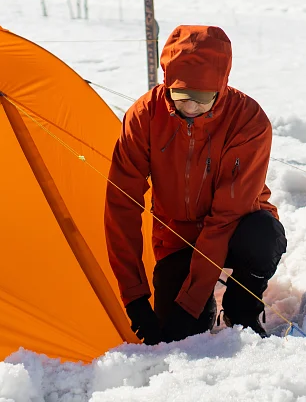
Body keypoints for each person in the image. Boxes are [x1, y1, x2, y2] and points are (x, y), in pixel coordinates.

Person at [105, 24, 287, 345]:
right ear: (167, 83)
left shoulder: (248, 121)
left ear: (222, 86)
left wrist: (188, 303)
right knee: (179, 334)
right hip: (177, 237)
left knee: (264, 238)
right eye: (182, 97)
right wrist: (133, 299)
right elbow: (122, 205)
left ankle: (241, 308)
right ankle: (202, 312)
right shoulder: (144, 117)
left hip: (237, 229)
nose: (191, 109)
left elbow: (226, 218)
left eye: (203, 100)